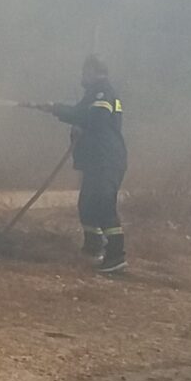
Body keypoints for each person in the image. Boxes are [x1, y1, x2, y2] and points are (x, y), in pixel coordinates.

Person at [46, 58, 127, 272]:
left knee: (103, 205)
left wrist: (58, 109)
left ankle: (116, 257)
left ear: (93, 71)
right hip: (97, 160)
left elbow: (93, 117)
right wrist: (56, 109)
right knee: (87, 205)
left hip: (106, 160)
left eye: (84, 72)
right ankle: (93, 248)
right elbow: (83, 114)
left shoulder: (102, 92)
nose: (82, 76)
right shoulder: (93, 94)